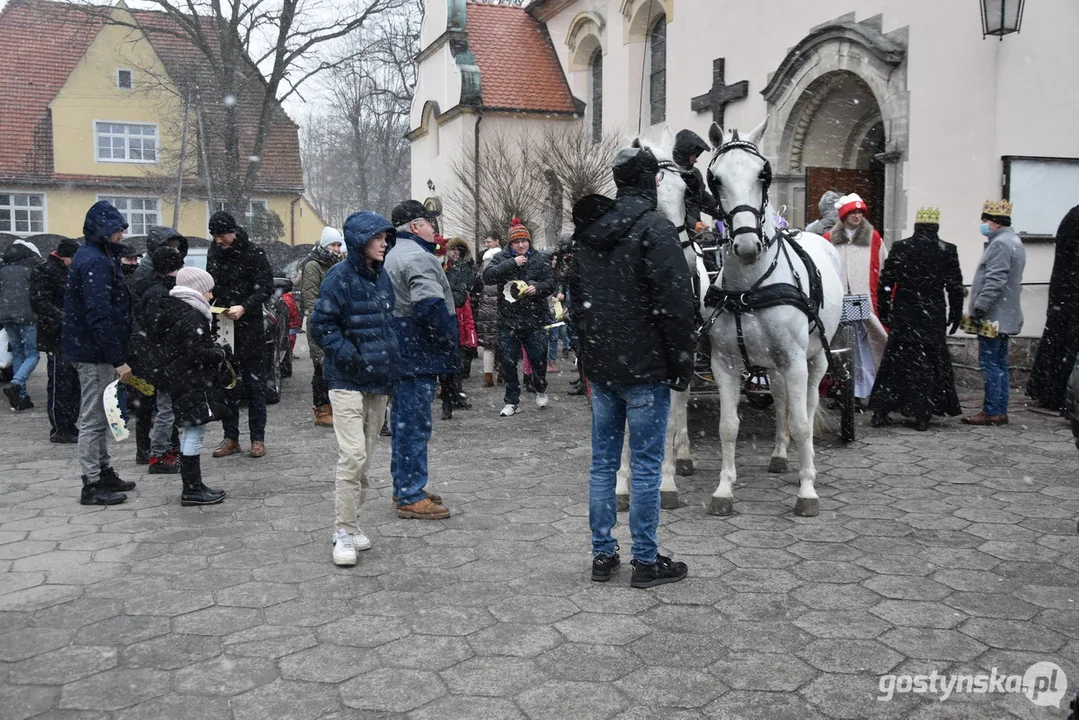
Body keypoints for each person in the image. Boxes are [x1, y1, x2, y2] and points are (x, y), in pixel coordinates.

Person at [569, 145, 695, 588]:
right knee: (644, 466)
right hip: (645, 369)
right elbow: (676, 303)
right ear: (654, 181)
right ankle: (645, 560)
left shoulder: (589, 231)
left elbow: (576, 304)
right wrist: (683, 360)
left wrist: (589, 354)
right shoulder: (655, 229)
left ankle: (603, 555)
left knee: (604, 463)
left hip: (603, 368)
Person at [310, 212, 399, 565]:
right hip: (346, 380)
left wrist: (392, 364)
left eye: (385, 237)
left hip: (377, 382)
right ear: (360, 240)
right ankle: (343, 531)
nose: (384, 243)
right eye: (377, 237)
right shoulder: (338, 277)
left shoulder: (382, 278)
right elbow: (321, 325)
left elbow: (388, 325)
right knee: (353, 456)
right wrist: (353, 357)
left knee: (364, 460)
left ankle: (354, 521)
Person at [383, 199, 457, 519]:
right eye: (429, 222)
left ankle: (404, 485)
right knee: (414, 425)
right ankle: (411, 494)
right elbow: (429, 307)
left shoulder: (391, 254)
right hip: (417, 352)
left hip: (398, 349)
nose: (433, 228)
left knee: (402, 422)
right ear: (415, 226)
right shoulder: (418, 257)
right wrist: (447, 339)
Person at [63, 200, 137, 505]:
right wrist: (117, 358)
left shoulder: (98, 256)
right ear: (104, 230)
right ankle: (91, 483)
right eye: (117, 229)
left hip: (97, 350)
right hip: (93, 353)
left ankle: (104, 471)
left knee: (104, 415)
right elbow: (98, 314)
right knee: (94, 418)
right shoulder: (94, 261)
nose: (121, 234)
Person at [869, 208, 964, 431]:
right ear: (936, 227)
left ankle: (882, 409)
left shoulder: (902, 247)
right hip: (932, 313)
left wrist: (884, 311)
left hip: (906, 311)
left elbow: (886, 282)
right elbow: (955, 286)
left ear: (916, 227)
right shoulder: (947, 250)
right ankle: (923, 413)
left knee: (895, 362)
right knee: (929, 363)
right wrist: (956, 313)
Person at [205, 212, 274, 458]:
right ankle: (231, 437)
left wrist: (244, 306)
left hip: (251, 326)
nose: (218, 240)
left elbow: (266, 287)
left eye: (221, 235)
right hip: (224, 327)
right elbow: (210, 284)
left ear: (233, 232)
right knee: (227, 385)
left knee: (255, 387)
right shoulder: (213, 252)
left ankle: (258, 439)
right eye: (214, 236)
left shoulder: (254, 253)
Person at [159, 266, 228, 506]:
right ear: (198, 290)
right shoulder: (192, 315)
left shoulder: (176, 309)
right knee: (193, 430)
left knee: (191, 429)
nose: (210, 296)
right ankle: (191, 488)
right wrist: (219, 353)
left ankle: (194, 485)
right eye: (208, 291)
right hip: (190, 379)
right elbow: (197, 352)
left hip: (181, 377)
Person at [962, 200, 1027, 426]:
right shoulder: (1014, 241)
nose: (983, 224)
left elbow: (994, 281)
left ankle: (991, 411)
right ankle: (999, 409)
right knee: (1000, 365)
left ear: (996, 223)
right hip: (1005, 316)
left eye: (986, 220)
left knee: (990, 364)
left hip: (993, 317)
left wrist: (979, 308)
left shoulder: (1000, 244)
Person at [482, 218, 555, 417]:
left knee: (539, 357)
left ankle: (540, 387)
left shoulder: (539, 258)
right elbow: (487, 276)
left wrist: (537, 287)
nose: (521, 245)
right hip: (509, 319)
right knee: (508, 361)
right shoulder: (501, 257)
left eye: (524, 241)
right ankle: (512, 400)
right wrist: (511, 263)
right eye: (517, 242)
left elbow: (551, 283)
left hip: (535, 318)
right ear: (510, 244)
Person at [824, 193, 888, 406]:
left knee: (865, 346)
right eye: (853, 212)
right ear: (844, 215)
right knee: (840, 346)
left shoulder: (873, 238)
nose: (857, 216)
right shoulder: (828, 240)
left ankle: (865, 390)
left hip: (864, 301)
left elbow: (884, 267)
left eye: (860, 212)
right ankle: (842, 389)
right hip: (839, 300)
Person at [130, 245, 187, 474]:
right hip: (159, 360)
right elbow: (158, 329)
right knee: (166, 411)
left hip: (154, 359)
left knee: (163, 409)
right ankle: (158, 456)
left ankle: (164, 452)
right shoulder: (159, 295)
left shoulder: (153, 290)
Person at [1027, 205, 1079, 410]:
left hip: (1066, 298)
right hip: (1070, 299)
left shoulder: (1073, 216)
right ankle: (1064, 397)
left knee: (1062, 344)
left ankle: (1055, 393)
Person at [30, 237, 81, 440]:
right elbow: (39, 302)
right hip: (55, 335)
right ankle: (60, 427)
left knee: (72, 382)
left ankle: (70, 423)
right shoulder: (44, 270)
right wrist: (64, 319)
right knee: (60, 381)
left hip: (71, 334)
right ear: (63, 256)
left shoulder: (68, 271)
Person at [301, 227, 345, 426]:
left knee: (334, 366)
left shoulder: (340, 263)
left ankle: (333, 406)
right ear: (324, 245)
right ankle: (321, 409)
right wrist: (320, 321)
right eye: (332, 245)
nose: (336, 248)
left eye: (338, 244)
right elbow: (310, 297)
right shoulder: (313, 265)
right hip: (320, 324)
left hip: (337, 323)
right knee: (320, 366)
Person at [0, 238, 43, 410]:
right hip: (28, 316)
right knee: (33, 354)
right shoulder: (31, 269)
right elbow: (36, 294)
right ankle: (16, 383)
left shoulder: (3, 270)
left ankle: (21, 396)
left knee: (18, 353)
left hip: (6, 316)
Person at [440, 237, 475, 420]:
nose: (455, 253)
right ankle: (448, 396)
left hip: (459, 316)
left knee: (458, 359)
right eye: (453, 250)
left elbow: (469, 289)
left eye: (458, 250)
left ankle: (456, 393)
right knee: (448, 360)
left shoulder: (463, 268)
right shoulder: (442, 267)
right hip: (444, 316)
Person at [474, 240, 503, 388]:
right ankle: (501, 373)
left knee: (488, 346)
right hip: (501, 308)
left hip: (486, 309)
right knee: (503, 343)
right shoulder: (503, 265)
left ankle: (487, 376)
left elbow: (477, 285)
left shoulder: (483, 267)